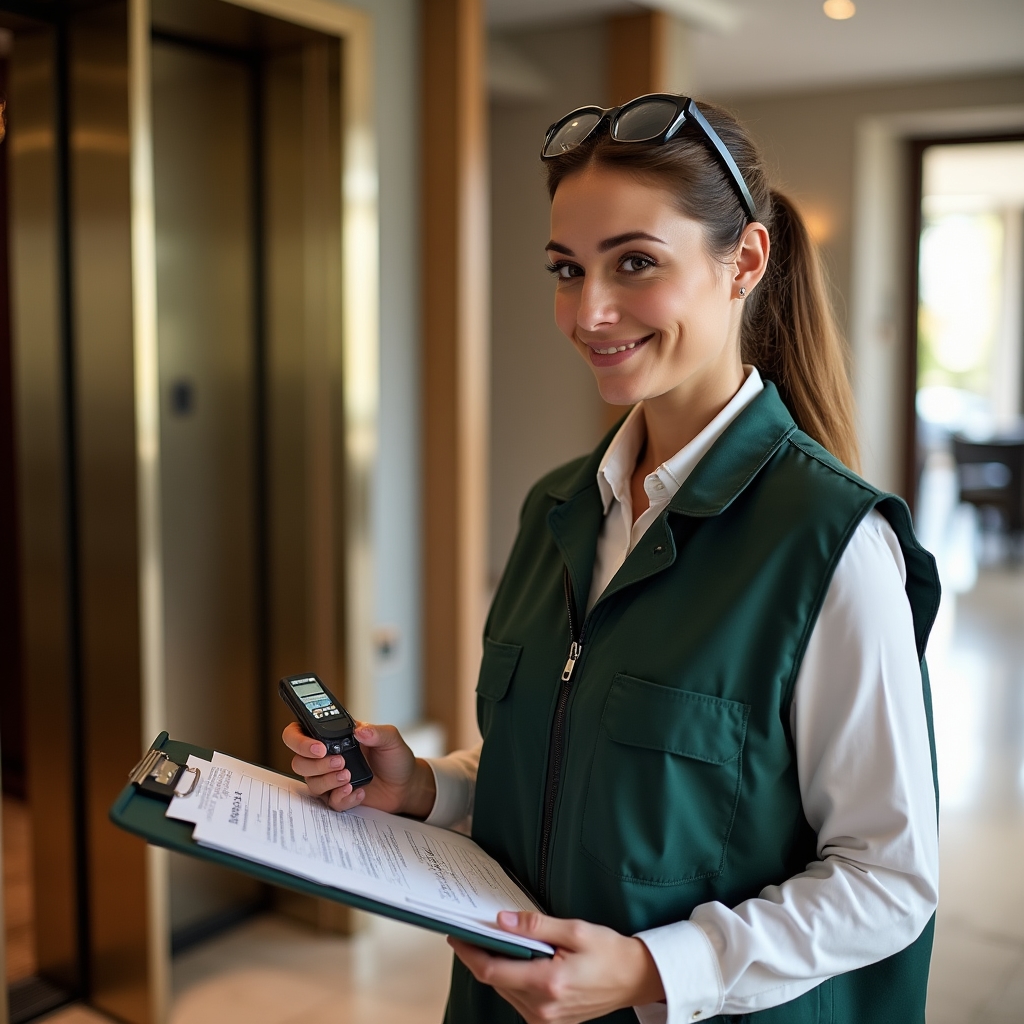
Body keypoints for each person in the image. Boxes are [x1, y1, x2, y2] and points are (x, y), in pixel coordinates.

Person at [283, 95, 940, 1024]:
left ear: (744, 261)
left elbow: (889, 879)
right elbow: (566, 753)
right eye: (566, 269)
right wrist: (430, 785)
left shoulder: (830, 545)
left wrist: (651, 971)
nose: (588, 312)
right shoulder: (556, 507)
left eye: (636, 263)